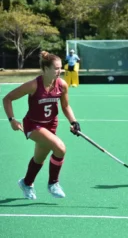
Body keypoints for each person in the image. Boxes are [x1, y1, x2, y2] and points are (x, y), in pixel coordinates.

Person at [2, 51, 81, 200]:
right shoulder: (33, 85)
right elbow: (7, 99)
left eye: (60, 68)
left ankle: (26, 182)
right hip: (33, 125)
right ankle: (53, 183)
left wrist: (74, 122)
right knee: (60, 148)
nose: (59, 71)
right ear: (45, 69)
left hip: (51, 125)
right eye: (56, 68)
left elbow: (65, 107)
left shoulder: (62, 85)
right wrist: (12, 119)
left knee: (39, 159)